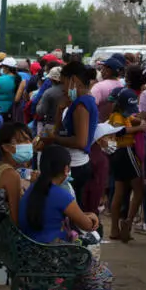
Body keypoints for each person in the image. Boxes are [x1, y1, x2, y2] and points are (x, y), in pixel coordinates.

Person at [19, 144, 146, 290]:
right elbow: (86, 224)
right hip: (52, 258)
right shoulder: (60, 194)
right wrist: (91, 217)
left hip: (34, 254)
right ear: (65, 169)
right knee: (101, 274)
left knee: (83, 266)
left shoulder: (33, 189)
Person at [42, 61, 98, 211]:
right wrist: (60, 110)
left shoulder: (82, 104)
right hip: (72, 161)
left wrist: (54, 139)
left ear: (74, 80)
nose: (63, 88)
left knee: (72, 207)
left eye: (64, 82)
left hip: (76, 164)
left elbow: (80, 141)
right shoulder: (76, 102)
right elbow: (60, 129)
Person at [106, 88, 146, 241]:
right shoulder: (116, 116)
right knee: (139, 190)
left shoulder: (123, 114)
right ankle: (127, 222)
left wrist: (138, 120)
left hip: (118, 154)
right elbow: (119, 131)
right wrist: (139, 128)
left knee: (119, 191)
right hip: (126, 152)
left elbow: (132, 119)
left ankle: (115, 229)